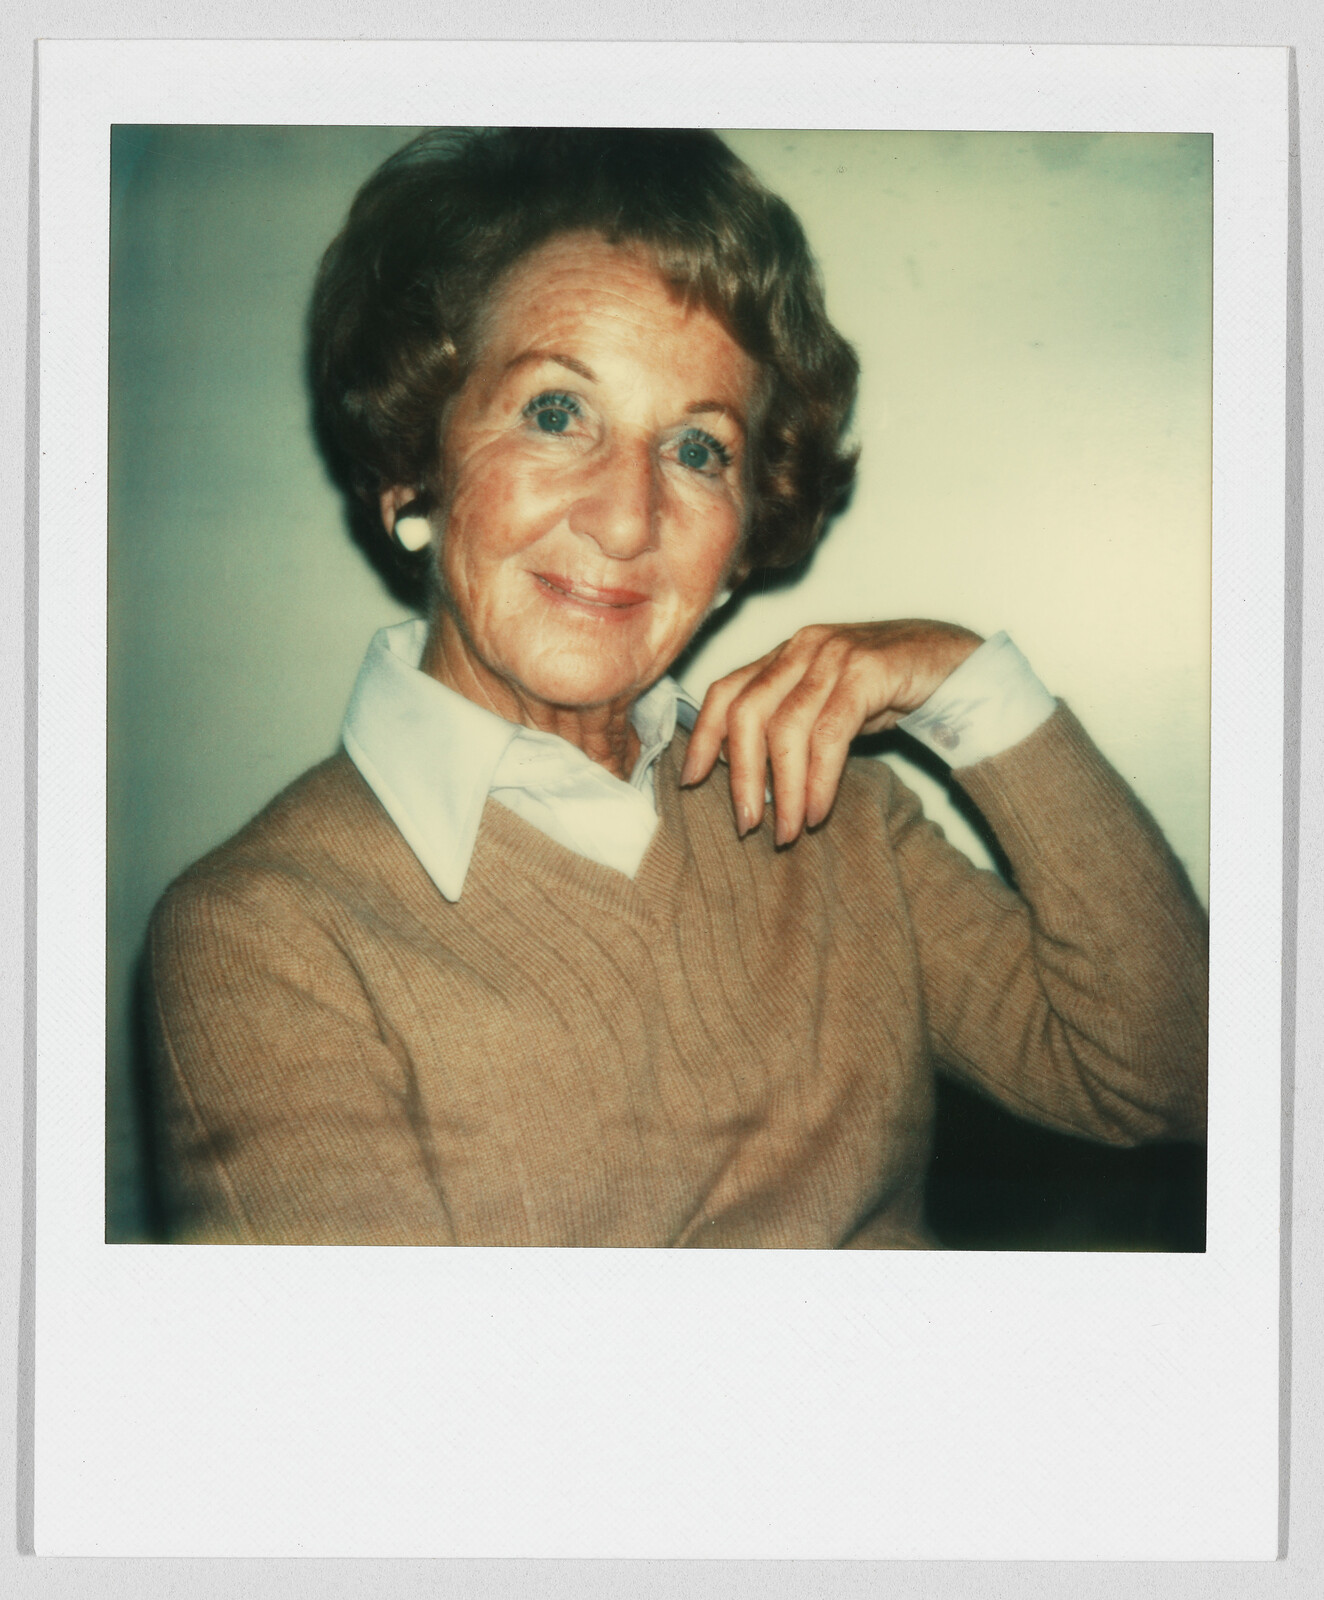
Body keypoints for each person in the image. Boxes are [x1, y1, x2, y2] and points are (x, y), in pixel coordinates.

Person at [146, 127, 1207, 1247]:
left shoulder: (835, 818)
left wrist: (969, 685)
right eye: (556, 413)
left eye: (698, 449)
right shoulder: (265, 935)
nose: (627, 517)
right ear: (417, 465)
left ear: (746, 535)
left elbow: (1174, 1076)